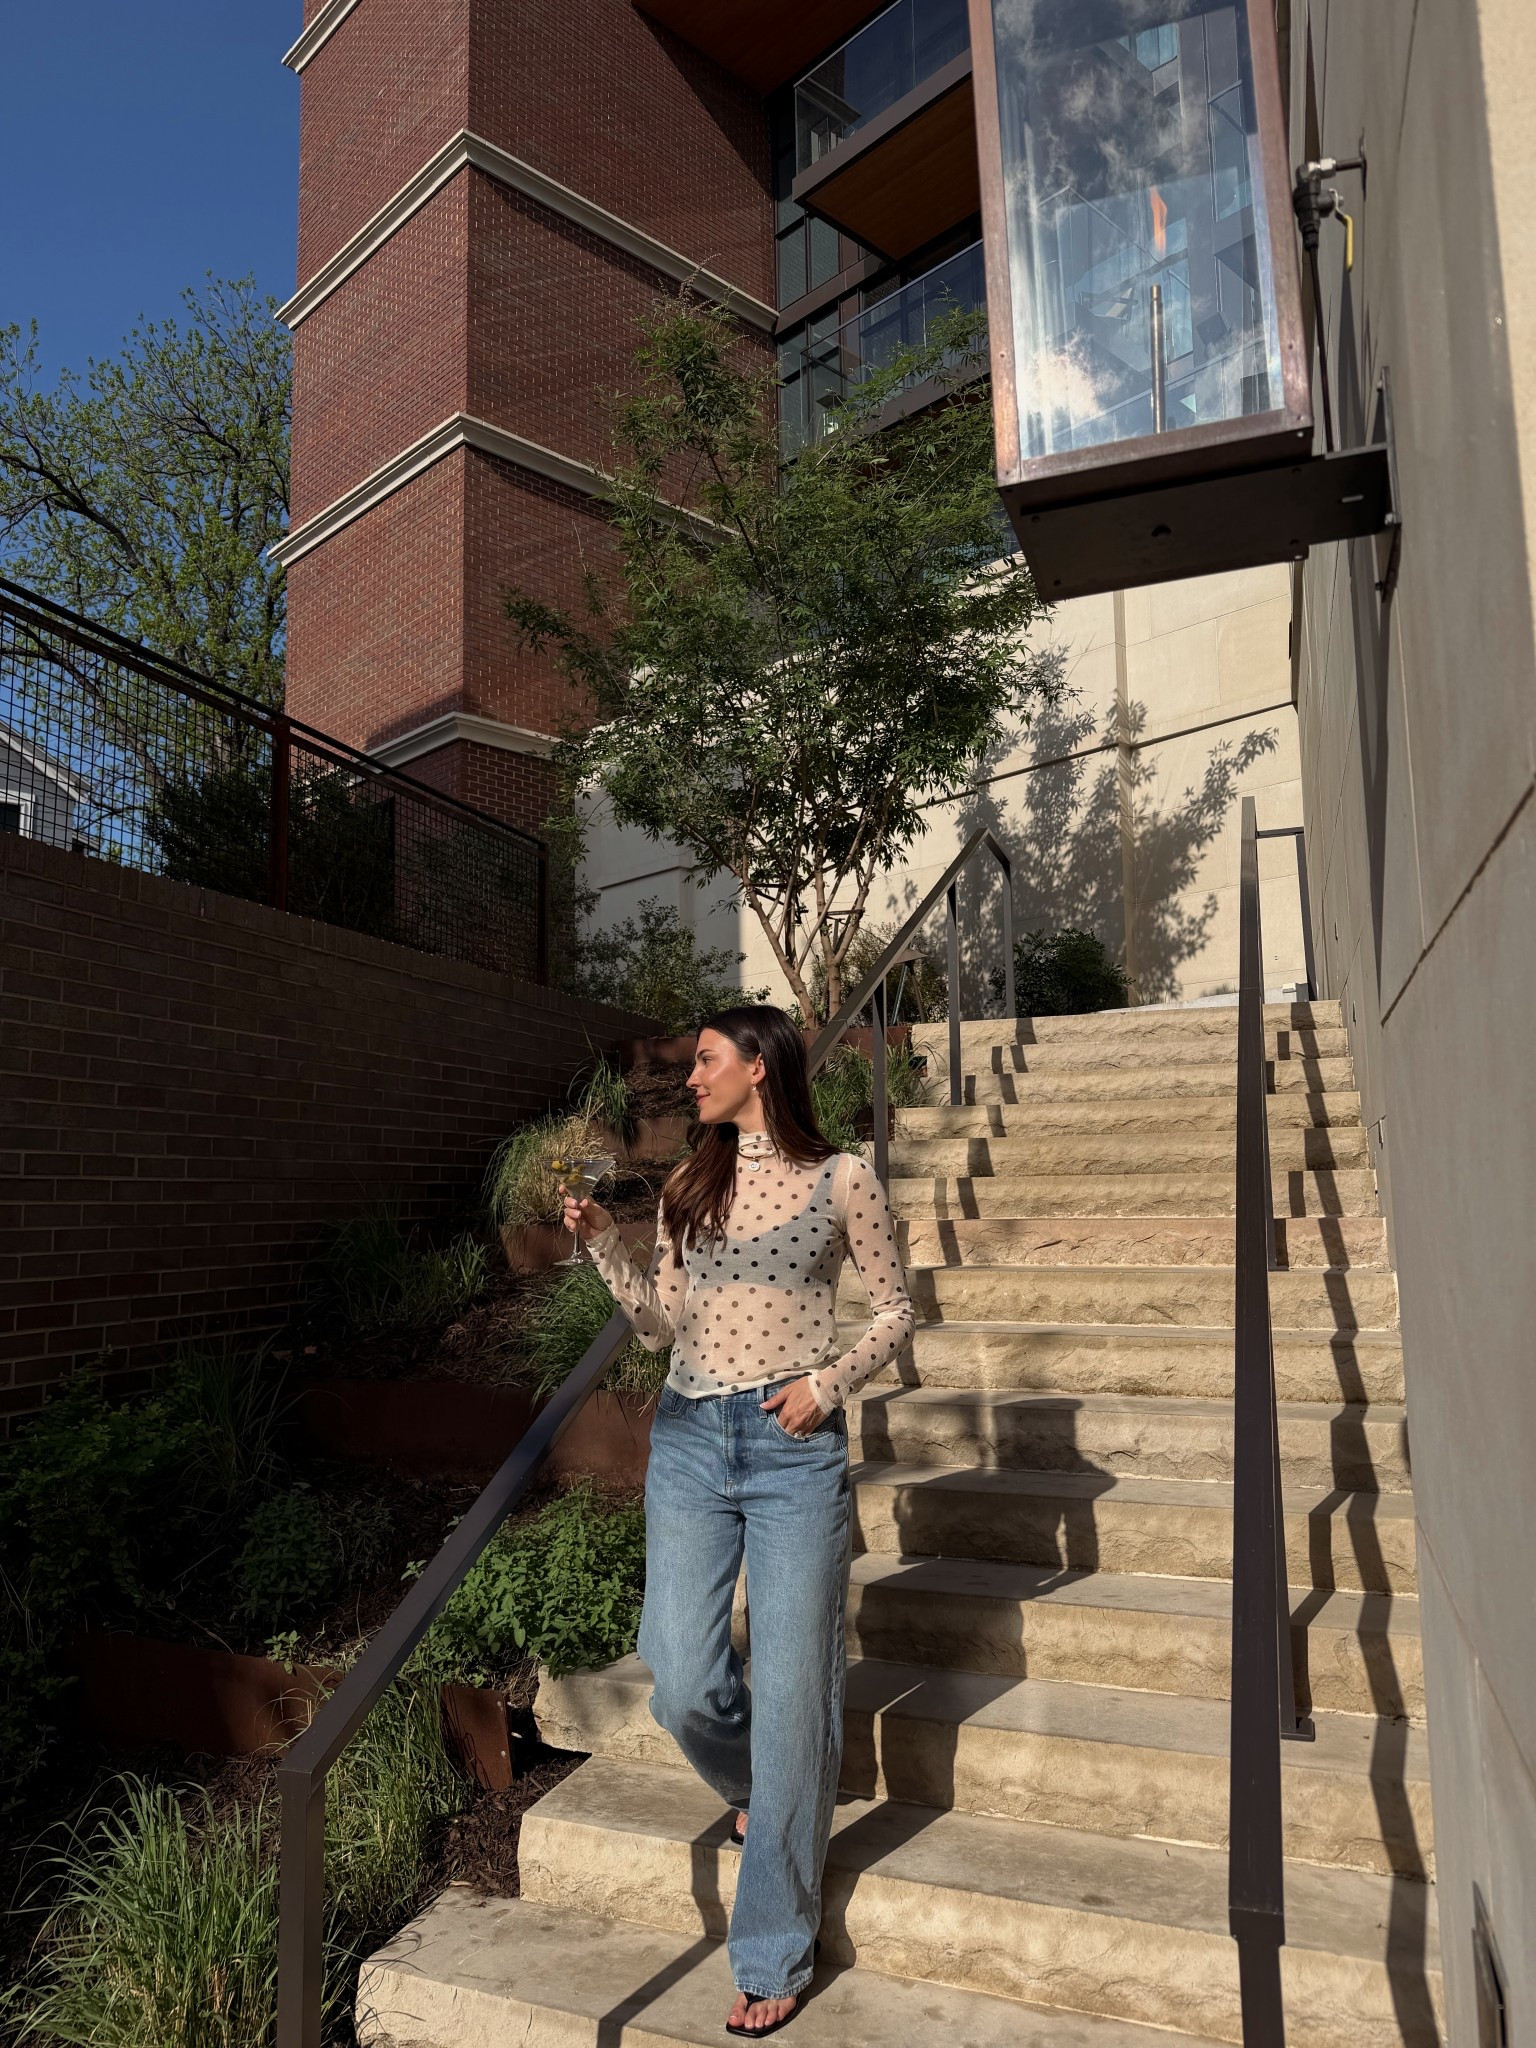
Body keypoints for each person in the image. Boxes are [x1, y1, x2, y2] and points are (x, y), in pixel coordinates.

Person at [565, 1004, 914, 2038]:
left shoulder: (841, 1175)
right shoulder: (687, 1184)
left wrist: (829, 1381)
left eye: (706, 1059)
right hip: (688, 1433)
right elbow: (657, 1322)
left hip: (790, 1441)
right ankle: (755, 1782)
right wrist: (603, 1249)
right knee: (678, 1666)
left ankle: (771, 1945)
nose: (690, 1077)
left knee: (799, 1692)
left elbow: (896, 1309)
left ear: (757, 1065)